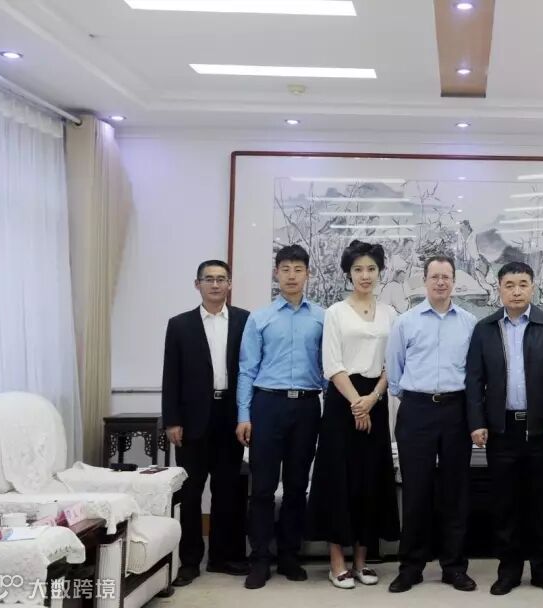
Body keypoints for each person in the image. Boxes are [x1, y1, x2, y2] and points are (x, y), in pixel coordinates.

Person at [466, 261, 543, 596]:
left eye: (522, 284)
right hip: (501, 431)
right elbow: (474, 381)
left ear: (532, 287)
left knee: (542, 504)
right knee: (505, 505)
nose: (516, 291)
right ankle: (508, 571)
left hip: (542, 431)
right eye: (509, 285)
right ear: (499, 288)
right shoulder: (485, 329)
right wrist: (477, 423)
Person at [307, 241, 400, 589]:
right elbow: (332, 364)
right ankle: (337, 562)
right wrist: (356, 403)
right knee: (339, 479)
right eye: (358, 269)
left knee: (370, 479)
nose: (365, 275)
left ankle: (362, 560)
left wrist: (371, 399)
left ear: (379, 272)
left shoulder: (390, 314)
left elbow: (393, 363)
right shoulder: (335, 312)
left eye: (371, 269)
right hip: (342, 401)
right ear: (348, 273)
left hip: (376, 398)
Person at [384, 255, 478, 594]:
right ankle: (411, 567)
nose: (440, 282)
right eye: (434, 276)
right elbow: (394, 369)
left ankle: (454, 567)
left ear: (454, 281)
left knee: (455, 492)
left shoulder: (469, 323)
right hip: (417, 410)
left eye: (446, 277)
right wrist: (414, 397)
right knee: (416, 491)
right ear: (424, 281)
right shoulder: (406, 322)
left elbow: (475, 370)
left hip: (456, 410)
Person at [236, 244, 326, 590]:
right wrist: (243, 415)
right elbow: (247, 370)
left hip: (306, 406)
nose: (291, 275)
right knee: (262, 487)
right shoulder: (259, 318)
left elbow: (328, 368)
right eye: (285, 269)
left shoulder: (321, 317)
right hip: (267, 405)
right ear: (276, 273)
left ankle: (290, 555)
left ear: (307, 274)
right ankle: (260, 559)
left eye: (298, 269)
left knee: (297, 486)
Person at [161, 260, 250, 586]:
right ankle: (189, 561)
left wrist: (248, 415)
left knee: (228, 490)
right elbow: (171, 375)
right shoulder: (179, 325)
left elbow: (251, 368)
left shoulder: (244, 320)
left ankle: (222, 557)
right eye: (208, 279)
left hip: (230, 415)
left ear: (229, 284)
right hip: (192, 419)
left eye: (221, 279)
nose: (215, 285)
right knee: (191, 492)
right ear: (197, 284)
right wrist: (172, 419)